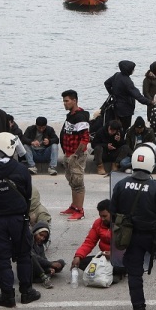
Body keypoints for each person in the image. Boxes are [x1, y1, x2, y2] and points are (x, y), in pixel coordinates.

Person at [110, 143, 156, 310]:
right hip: (154, 235)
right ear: (152, 164)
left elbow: (113, 212)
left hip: (131, 236)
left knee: (134, 273)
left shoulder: (120, 185)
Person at [0, 132, 42, 308]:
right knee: (23, 255)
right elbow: (28, 193)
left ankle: (7, 295)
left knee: (2, 256)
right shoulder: (21, 170)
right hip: (19, 219)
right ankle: (26, 291)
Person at [59, 90, 91, 222]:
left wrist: (75, 156)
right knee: (72, 181)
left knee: (78, 183)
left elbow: (85, 139)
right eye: (64, 101)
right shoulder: (70, 116)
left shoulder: (81, 118)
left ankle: (80, 210)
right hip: (68, 154)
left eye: (67, 101)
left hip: (76, 156)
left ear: (74, 100)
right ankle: (74, 206)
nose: (64, 104)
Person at [104, 60, 153, 130]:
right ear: (128, 70)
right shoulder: (127, 82)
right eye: (132, 69)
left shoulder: (117, 75)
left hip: (116, 106)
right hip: (125, 109)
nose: (133, 70)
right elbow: (137, 95)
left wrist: (112, 93)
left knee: (117, 126)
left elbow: (107, 83)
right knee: (125, 127)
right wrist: (149, 102)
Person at [71, 200, 112, 273]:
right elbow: (89, 242)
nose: (102, 219)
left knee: (124, 265)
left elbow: (130, 246)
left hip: (120, 258)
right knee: (81, 262)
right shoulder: (98, 223)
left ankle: (108, 272)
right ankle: (108, 272)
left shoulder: (122, 225)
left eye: (105, 216)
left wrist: (114, 254)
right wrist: (78, 256)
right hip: (104, 257)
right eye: (100, 216)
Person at [30, 222, 65, 288]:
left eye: (44, 237)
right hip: (29, 269)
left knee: (61, 262)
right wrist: (50, 264)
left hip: (39, 267)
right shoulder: (29, 241)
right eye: (40, 235)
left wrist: (49, 268)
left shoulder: (40, 245)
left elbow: (43, 258)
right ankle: (44, 277)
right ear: (35, 232)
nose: (42, 238)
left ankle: (45, 274)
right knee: (31, 256)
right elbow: (36, 258)